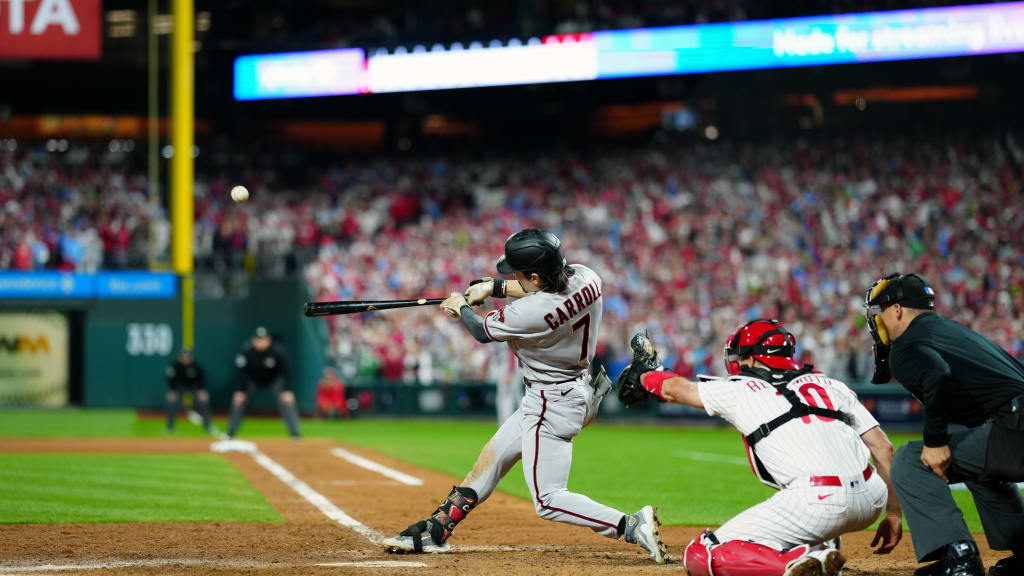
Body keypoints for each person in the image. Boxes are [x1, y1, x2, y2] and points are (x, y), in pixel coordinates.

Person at [381, 228, 668, 563]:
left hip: (552, 402)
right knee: (492, 459)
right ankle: (437, 529)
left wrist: (461, 307)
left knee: (548, 500)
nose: (513, 277)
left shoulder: (531, 313)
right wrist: (494, 287)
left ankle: (629, 524)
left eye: (518, 274)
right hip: (569, 391)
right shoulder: (588, 277)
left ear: (534, 276)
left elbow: (481, 331)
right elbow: (542, 287)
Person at [617, 319, 903, 576]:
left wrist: (644, 375)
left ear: (752, 359)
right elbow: (884, 448)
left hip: (818, 501)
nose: (738, 363)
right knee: (814, 505)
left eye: (741, 357)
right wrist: (893, 514)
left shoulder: (741, 389)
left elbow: (674, 389)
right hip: (871, 499)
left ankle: (797, 564)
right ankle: (821, 545)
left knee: (701, 554)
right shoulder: (831, 384)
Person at [864, 273, 1024, 576]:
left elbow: (937, 374)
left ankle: (959, 560)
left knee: (911, 460)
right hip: (1012, 424)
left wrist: (935, 441)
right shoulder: (953, 332)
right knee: (978, 465)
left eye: (880, 312)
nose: (878, 322)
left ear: (897, 310)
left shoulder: (907, 343)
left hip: (1015, 426)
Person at [225, 326, 302, 440]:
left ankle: (295, 434)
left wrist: (287, 390)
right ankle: (230, 432)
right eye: (258, 339)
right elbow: (239, 373)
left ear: (268, 340)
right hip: (253, 380)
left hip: (274, 379)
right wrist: (240, 390)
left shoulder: (277, 351)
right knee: (238, 400)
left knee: (287, 400)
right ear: (253, 340)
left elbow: (286, 371)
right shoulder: (246, 352)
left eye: (263, 339)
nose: (260, 342)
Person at [164, 348, 212, 433]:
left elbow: (202, 379)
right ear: (180, 357)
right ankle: (170, 427)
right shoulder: (175, 365)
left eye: (187, 357)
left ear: (191, 358)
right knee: (172, 402)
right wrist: (172, 390)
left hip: (194, 388)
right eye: (183, 357)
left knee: (203, 401)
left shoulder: (197, 366)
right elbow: (170, 379)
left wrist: (202, 390)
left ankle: (207, 426)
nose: (185, 359)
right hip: (179, 388)